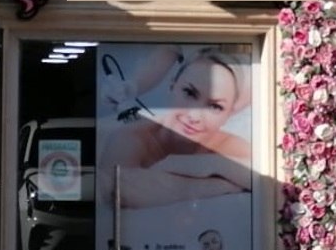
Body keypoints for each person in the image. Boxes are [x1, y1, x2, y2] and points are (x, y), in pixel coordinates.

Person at [98, 45, 253, 208]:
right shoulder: (129, 139)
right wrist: (222, 185)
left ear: (229, 114)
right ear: (172, 85)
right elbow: (115, 190)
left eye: (215, 106)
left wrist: (208, 164)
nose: (194, 116)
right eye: (189, 93)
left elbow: (262, 177)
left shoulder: (227, 146)